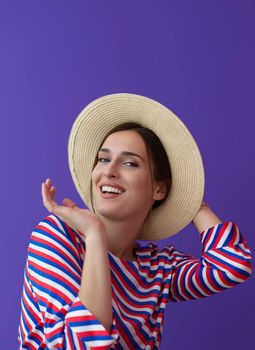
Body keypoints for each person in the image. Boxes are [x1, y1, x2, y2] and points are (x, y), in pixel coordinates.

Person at [18, 93, 252, 349]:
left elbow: (232, 266)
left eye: (130, 163)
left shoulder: (157, 268)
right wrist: (95, 234)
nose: (109, 170)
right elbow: (82, 343)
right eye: (104, 159)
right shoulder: (56, 236)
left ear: (159, 190)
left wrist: (191, 201)